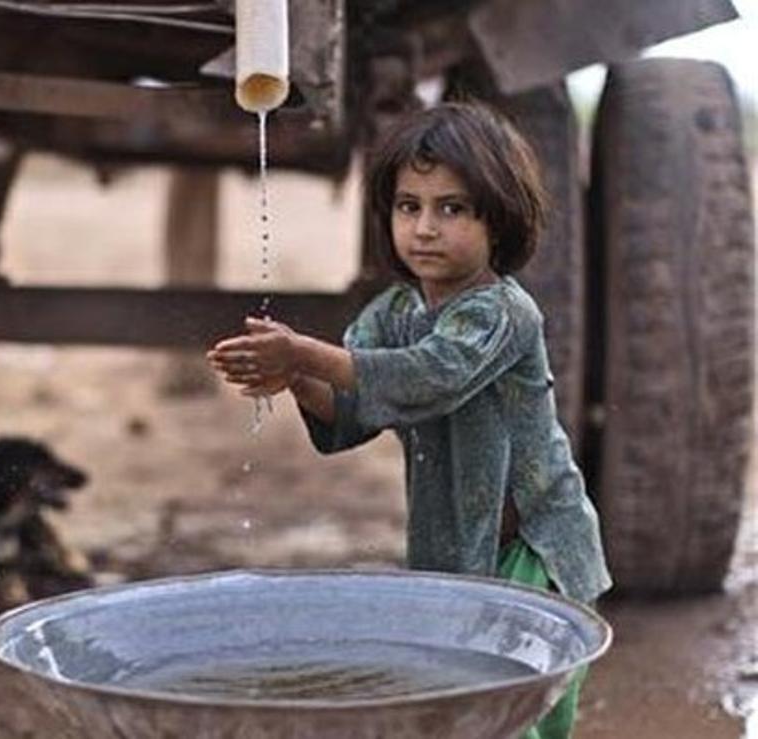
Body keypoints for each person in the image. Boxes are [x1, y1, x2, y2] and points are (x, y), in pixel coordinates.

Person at [206, 101, 612, 739]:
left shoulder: (504, 312)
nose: (425, 227)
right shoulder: (392, 312)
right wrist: (295, 378)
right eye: (408, 206)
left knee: (518, 716)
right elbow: (350, 417)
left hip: (537, 552)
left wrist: (306, 352)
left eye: (452, 208)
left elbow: (432, 374)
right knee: (474, 710)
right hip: (458, 554)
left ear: (498, 221)